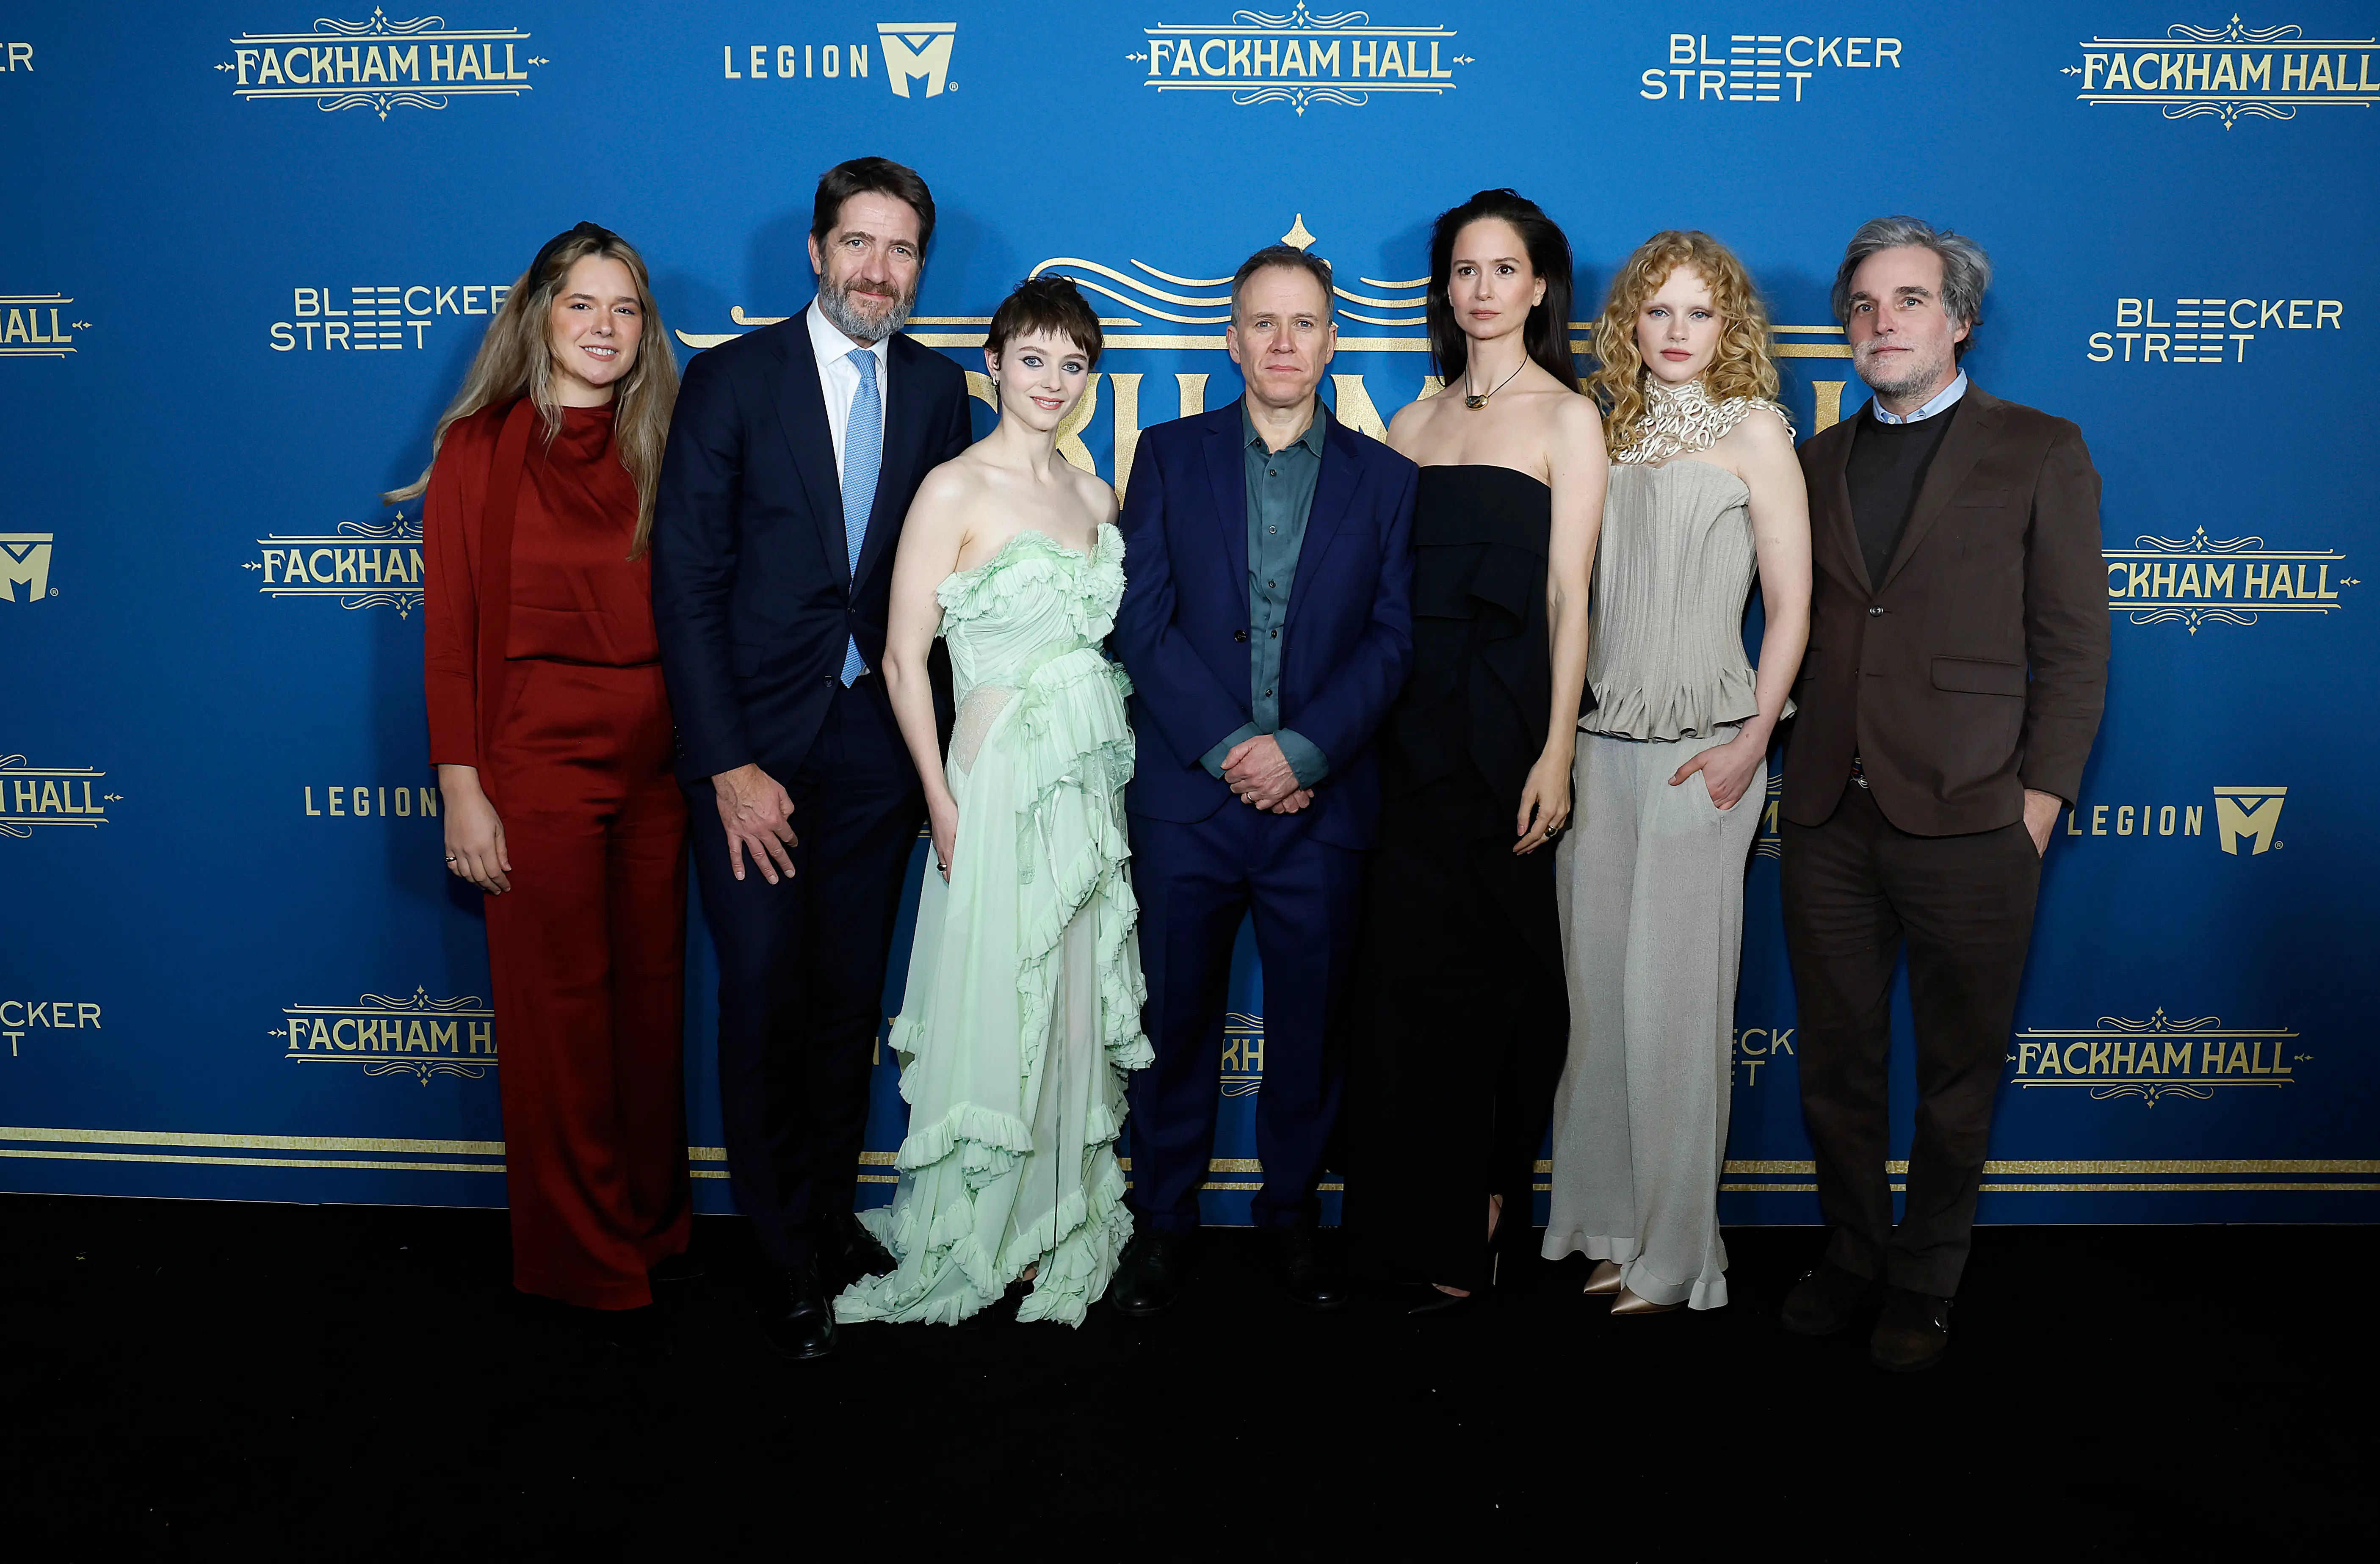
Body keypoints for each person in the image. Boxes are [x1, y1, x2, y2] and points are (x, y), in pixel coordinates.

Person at [651, 158, 973, 1361]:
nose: (876, 271)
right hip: (755, 759)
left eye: (900, 250)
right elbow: (685, 583)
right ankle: (781, 1245)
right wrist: (727, 763)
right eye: (857, 243)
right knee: (762, 994)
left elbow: (947, 584)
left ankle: (832, 1218)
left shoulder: (938, 390)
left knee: (845, 1004)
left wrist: (945, 755)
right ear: (815, 249)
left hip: (878, 749)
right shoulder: (732, 380)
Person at [1779, 217, 2105, 1370]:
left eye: (1908, 301)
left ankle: (1925, 1277)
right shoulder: (1810, 461)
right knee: (1836, 1063)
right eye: (1863, 305)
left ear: (1958, 320)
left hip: (1974, 816)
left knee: (1958, 1071)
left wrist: (2038, 802)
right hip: (1826, 813)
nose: (1882, 323)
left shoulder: (2037, 448)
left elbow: (2072, 647)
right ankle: (1851, 1251)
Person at [1107, 244, 1418, 1314]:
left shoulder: (1388, 479)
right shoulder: (1165, 455)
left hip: (1322, 806)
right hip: (1188, 803)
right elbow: (1141, 622)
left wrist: (1303, 752)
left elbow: (1392, 639)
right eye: (1262, 322)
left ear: (1332, 341)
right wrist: (1235, 745)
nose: (1283, 342)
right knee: (1171, 1023)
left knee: (1310, 1031)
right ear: (1231, 339)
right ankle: (1161, 1221)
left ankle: (1290, 1218)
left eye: (1304, 323)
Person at [834, 278, 1147, 1328]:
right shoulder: (951, 489)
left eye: (1072, 364)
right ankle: (980, 1222)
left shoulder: (1094, 496)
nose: (1052, 381)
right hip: (993, 777)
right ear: (995, 364)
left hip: (1084, 786)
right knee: (997, 1000)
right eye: (1033, 359)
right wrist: (938, 795)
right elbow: (900, 658)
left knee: (1069, 998)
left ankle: (1052, 1213)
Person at [405, 222, 691, 1323]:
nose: (605, 328)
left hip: (658, 763)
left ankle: (652, 1226)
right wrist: (461, 785)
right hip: (536, 760)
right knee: (558, 1015)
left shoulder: (666, 439)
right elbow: (449, 630)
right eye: (583, 304)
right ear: (539, 314)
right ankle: (581, 1255)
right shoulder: (482, 447)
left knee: (650, 1004)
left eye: (625, 309)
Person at [1540, 230, 1811, 1315]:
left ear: (1728, 324)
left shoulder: (1757, 432)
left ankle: (1678, 1255)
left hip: (1707, 749)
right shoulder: (1598, 427)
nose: (1676, 331)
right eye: (1657, 310)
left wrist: (1753, 741)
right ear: (1628, 323)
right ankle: (1610, 1225)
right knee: (1597, 1005)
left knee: (1676, 1010)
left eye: (1698, 312)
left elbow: (1791, 607)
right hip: (1599, 745)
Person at [1343, 190, 1603, 1312]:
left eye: (1502, 269)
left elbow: (1568, 596)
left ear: (1539, 287)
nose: (1481, 289)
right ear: (1442, 290)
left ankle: (1486, 1211)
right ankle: (1408, 1220)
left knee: (1499, 983)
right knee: (1408, 986)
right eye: (1463, 269)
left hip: (1504, 741)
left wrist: (1556, 750)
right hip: (1406, 741)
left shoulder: (1568, 419)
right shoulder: (1410, 424)